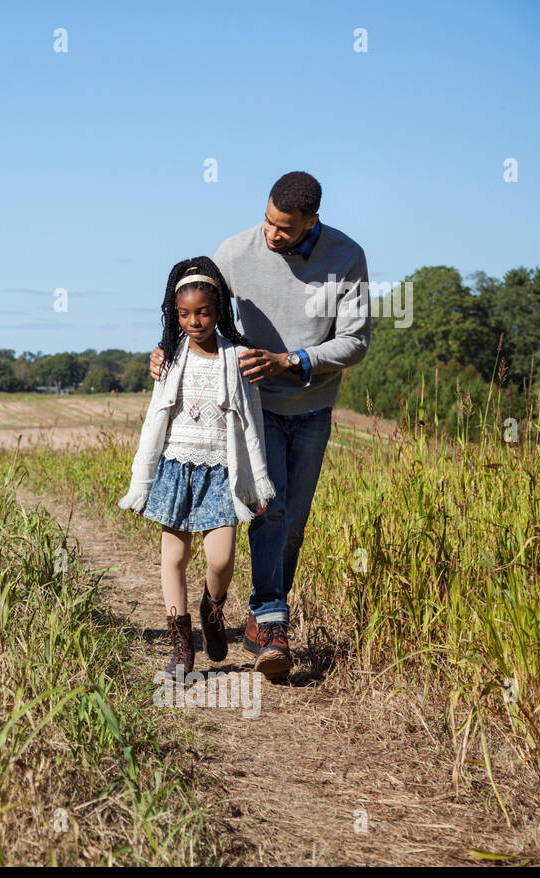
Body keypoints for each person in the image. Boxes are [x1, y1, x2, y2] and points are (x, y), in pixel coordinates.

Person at [148, 171, 370, 676]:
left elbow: (355, 339)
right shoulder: (234, 252)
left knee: (293, 521)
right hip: (252, 406)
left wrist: (291, 360)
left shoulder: (346, 257)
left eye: (285, 229)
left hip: (312, 407)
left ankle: (257, 620)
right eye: (268, 222)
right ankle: (272, 620)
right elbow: (196, 306)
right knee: (269, 509)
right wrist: (165, 349)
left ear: (312, 220)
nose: (272, 235)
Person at [121, 257, 276, 679]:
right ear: (176, 314)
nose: (195, 321)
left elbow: (251, 424)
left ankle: (213, 606)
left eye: (204, 312)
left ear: (219, 309)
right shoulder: (169, 358)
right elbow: (155, 421)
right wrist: (143, 483)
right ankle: (181, 645)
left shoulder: (238, 358)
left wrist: (258, 484)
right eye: (185, 314)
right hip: (176, 468)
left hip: (221, 473)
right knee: (174, 556)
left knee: (221, 558)